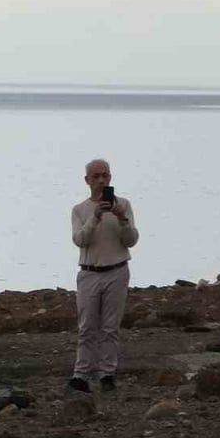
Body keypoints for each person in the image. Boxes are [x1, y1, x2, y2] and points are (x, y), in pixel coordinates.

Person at [69, 159, 139, 394]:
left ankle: (107, 374)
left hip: (117, 270)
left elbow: (131, 240)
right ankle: (81, 374)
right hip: (90, 272)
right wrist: (95, 217)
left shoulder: (123, 205)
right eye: (96, 176)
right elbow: (80, 240)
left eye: (105, 175)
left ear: (110, 177)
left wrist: (121, 218)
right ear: (87, 180)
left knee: (110, 327)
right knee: (87, 326)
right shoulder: (80, 210)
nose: (101, 180)